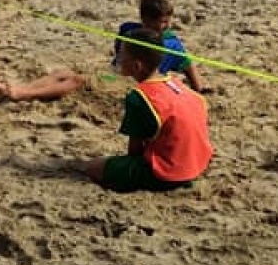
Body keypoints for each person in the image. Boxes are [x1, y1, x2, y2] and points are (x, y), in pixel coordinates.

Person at [79, 26, 213, 192]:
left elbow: (134, 151)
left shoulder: (140, 97)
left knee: (92, 167)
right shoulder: (177, 84)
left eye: (122, 56)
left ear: (137, 66)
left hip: (168, 173)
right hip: (197, 163)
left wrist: (124, 168)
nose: (119, 59)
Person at [112, 0, 205, 92]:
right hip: (122, 78)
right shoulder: (128, 30)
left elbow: (187, 64)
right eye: (163, 21)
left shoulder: (170, 41)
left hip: (150, 83)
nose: (168, 25)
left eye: (168, 21)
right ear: (146, 20)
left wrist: (198, 89)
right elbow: (118, 55)